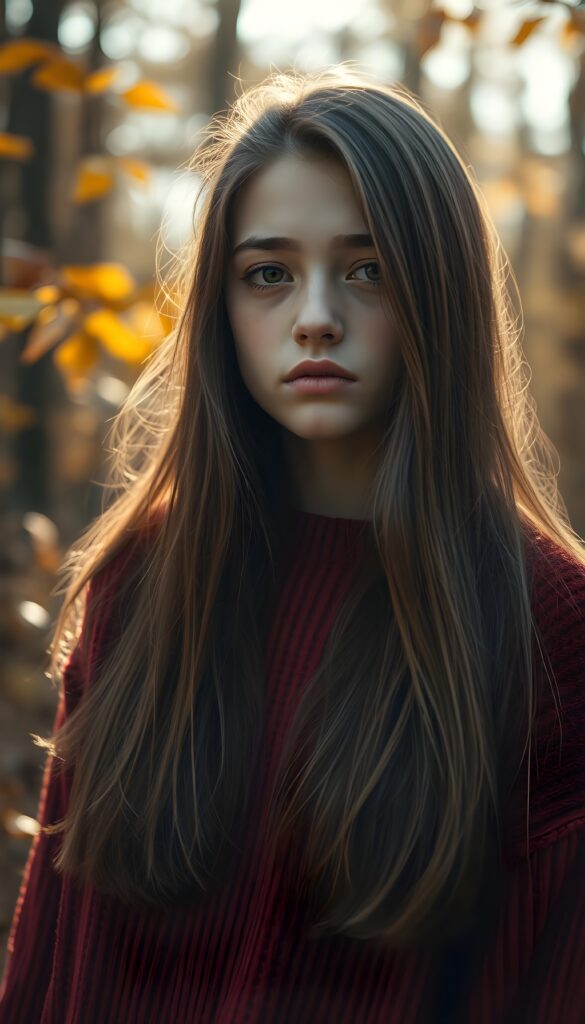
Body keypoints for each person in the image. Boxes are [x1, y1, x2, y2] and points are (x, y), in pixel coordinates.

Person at [1, 64, 584, 1024]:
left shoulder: (544, 625)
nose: (315, 314)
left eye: (367, 269)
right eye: (267, 273)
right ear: (220, 311)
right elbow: (51, 966)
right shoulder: (145, 584)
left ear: (439, 295)